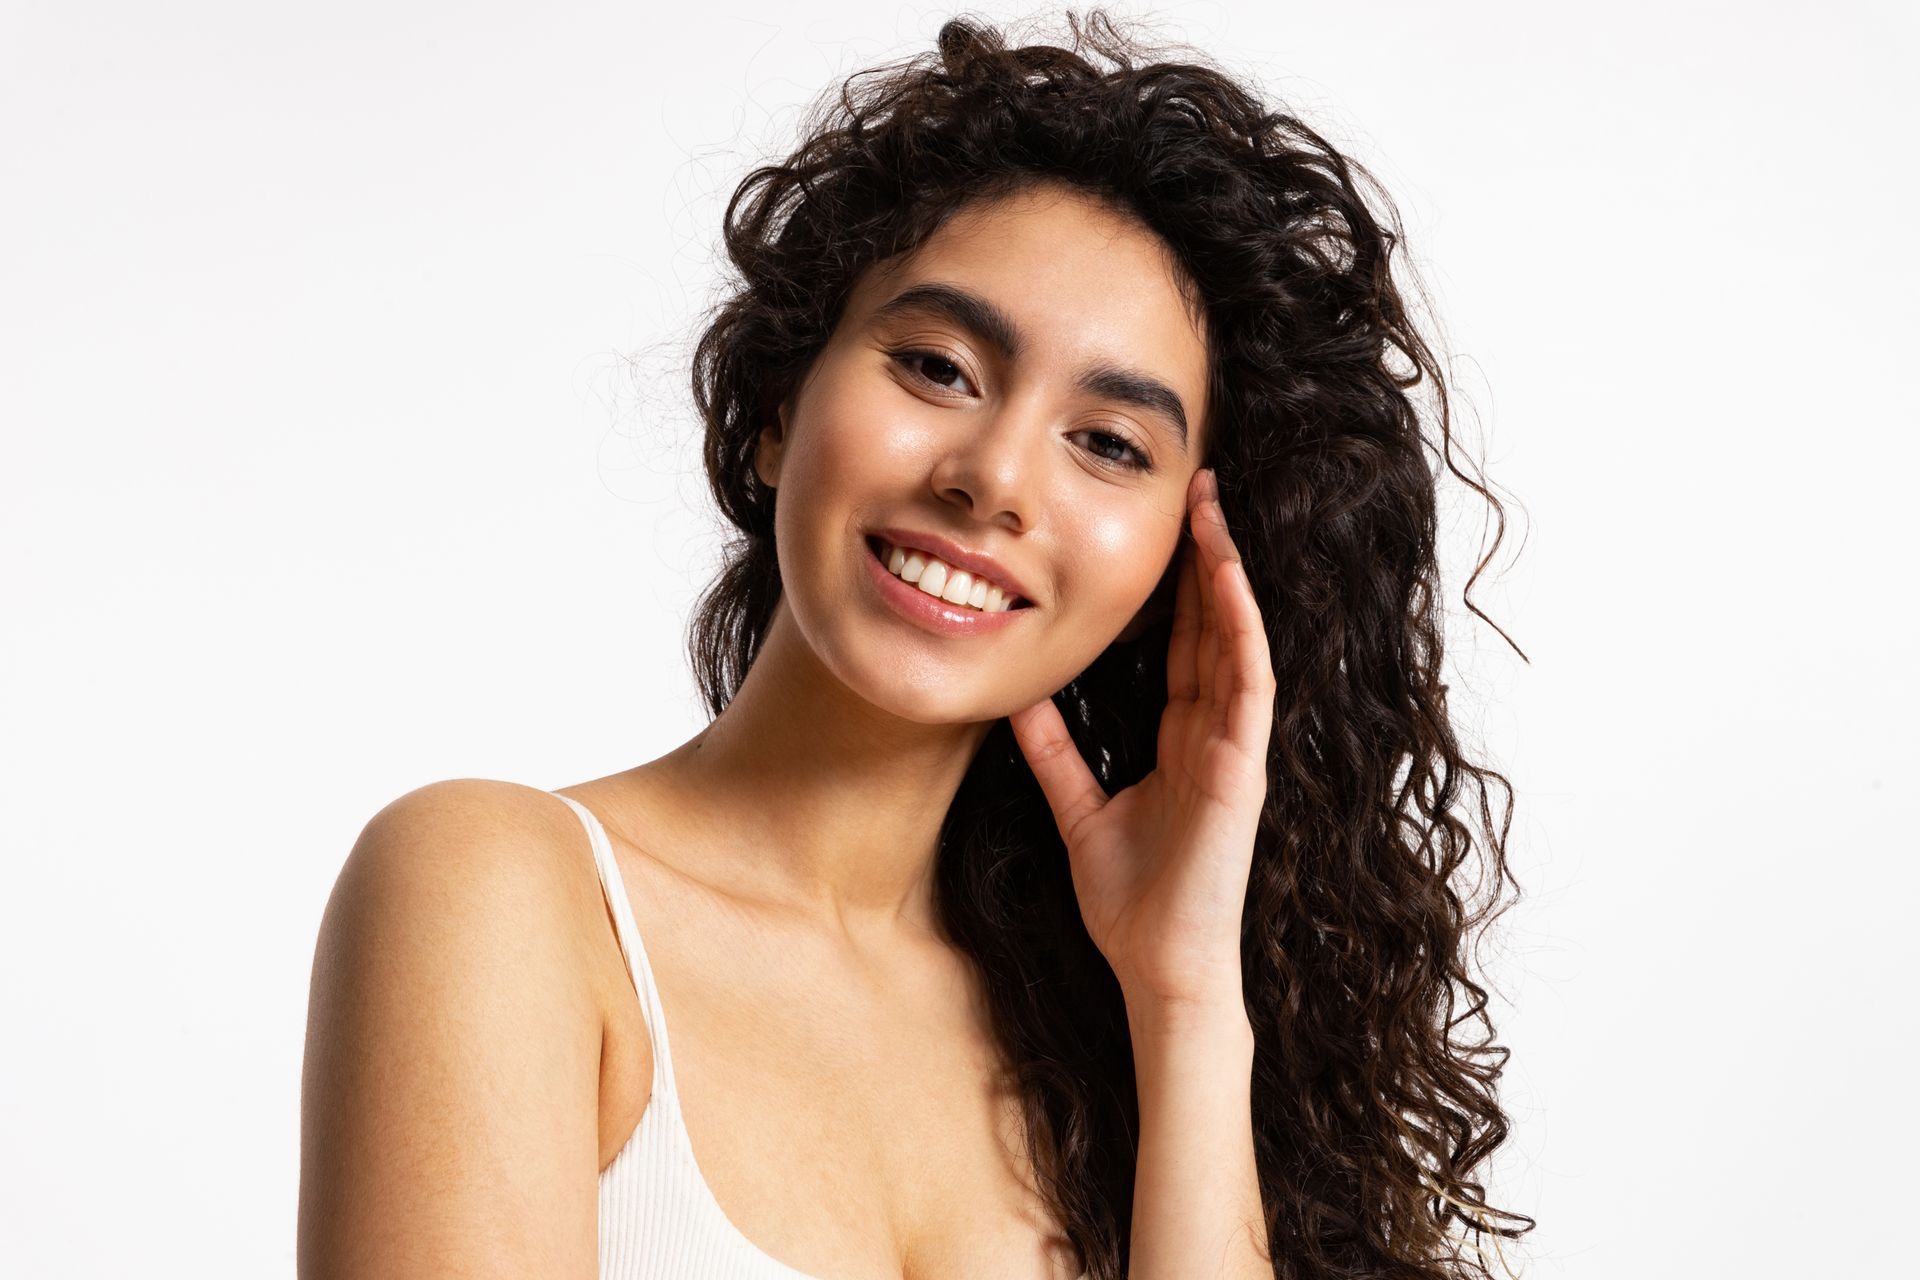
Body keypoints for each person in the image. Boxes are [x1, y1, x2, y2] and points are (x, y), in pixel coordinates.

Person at [298, 11, 1531, 1279]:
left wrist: (1186, 1003)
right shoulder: (503, 891)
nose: (994, 478)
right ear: (779, 406)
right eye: (939, 367)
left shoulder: (1099, 1028)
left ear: (1179, 558)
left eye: (1109, 443)